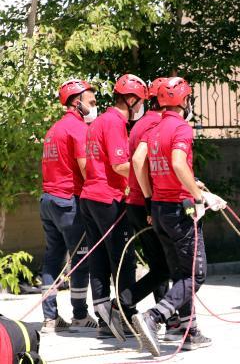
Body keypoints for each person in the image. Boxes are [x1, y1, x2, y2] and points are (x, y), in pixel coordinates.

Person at [131, 77, 226, 356]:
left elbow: (138, 162)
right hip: (179, 208)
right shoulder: (181, 128)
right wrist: (198, 196)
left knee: (179, 274)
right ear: (184, 101)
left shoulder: (155, 127)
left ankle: (190, 331)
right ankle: (155, 316)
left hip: (159, 208)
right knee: (195, 275)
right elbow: (176, 162)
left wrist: (149, 200)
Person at [80, 74, 147, 341]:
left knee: (99, 260)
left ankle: (104, 319)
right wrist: (149, 170)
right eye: (140, 101)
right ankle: (126, 314)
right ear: (131, 100)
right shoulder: (115, 123)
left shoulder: (99, 122)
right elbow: (120, 165)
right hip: (108, 198)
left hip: (90, 197)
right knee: (122, 259)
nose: (141, 106)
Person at [40, 79, 98, 333]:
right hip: (68, 202)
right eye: (91, 102)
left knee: (53, 259)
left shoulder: (54, 129)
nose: (94, 106)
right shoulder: (77, 129)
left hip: (48, 201)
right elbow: (86, 168)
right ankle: (80, 315)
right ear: (77, 103)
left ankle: (50, 318)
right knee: (80, 258)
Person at [125, 77, 170, 306]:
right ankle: (121, 305)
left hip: (137, 201)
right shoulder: (155, 124)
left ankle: (169, 317)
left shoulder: (142, 122)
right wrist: (150, 200)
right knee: (166, 266)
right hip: (145, 204)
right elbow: (139, 160)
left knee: (160, 265)